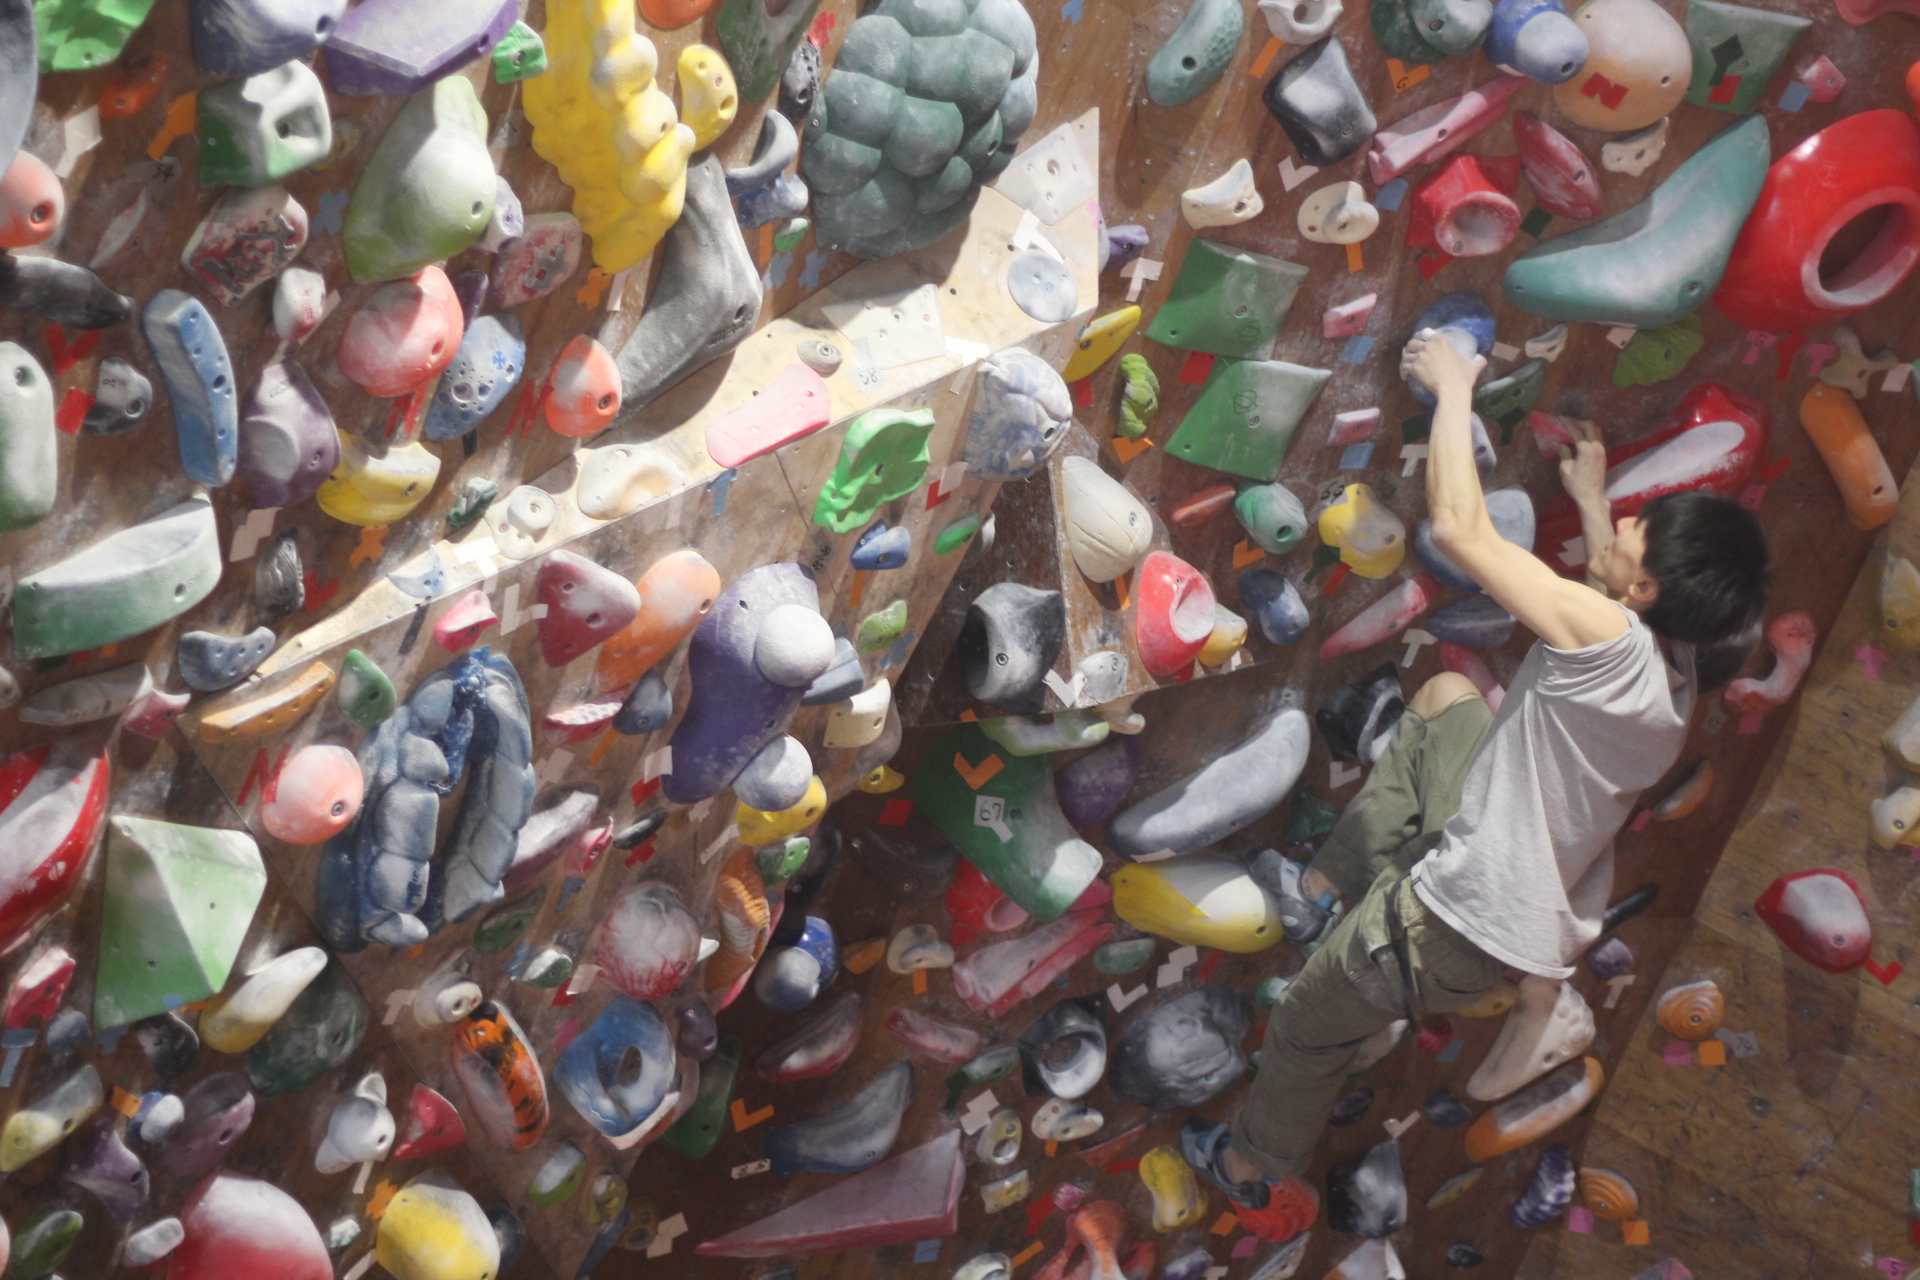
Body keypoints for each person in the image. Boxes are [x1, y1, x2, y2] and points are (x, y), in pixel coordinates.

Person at [1179, 330, 1772, 1210]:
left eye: (1637, 531)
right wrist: (1592, 500)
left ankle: (1249, 1167)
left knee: (1304, 1024)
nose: (1627, 524)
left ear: (1647, 592)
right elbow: (1609, 594)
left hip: (1453, 923)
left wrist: (1453, 388)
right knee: (1450, 698)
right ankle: (1326, 887)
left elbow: (1461, 529)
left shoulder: (1611, 639)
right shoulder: (1674, 671)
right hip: (1513, 898)